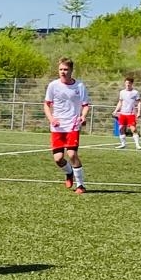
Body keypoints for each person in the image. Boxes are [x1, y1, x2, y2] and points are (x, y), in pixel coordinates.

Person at [44, 57, 90, 192]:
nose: (63, 72)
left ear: (71, 70)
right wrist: (51, 119)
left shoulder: (79, 86)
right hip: (57, 126)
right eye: (60, 69)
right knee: (58, 159)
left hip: (72, 124)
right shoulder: (53, 85)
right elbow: (46, 105)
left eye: (65, 69)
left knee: (72, 154)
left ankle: (80, 185)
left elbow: (85, 105)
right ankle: (69, 172)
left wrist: (83, 116)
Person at [113, 76, 141, 150]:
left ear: (132, 84)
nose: (127, 84)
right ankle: (123, 144)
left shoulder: (135, 92)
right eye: (126, 83)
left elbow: (139, 102)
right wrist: (116, 110)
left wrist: (139, 112)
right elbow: (120, 102)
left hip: (131, 114)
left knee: (133, 129)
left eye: (129, 83)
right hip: (123, 113)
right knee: (121, 128)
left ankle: (137, 145)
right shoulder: (122, 92)